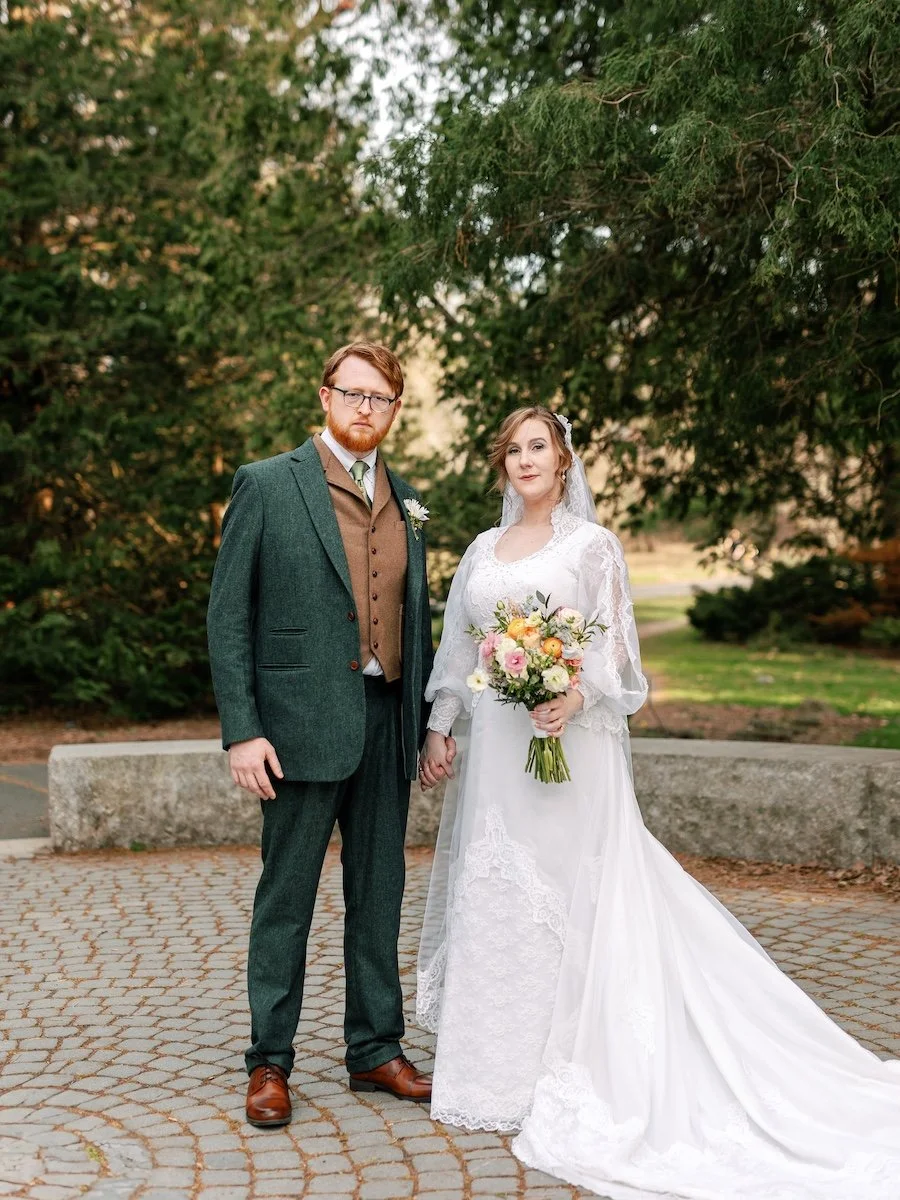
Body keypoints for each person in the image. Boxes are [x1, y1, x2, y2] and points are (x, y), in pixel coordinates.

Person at [418, 406, 900, 1199]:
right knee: (500, 885)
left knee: (577, 890)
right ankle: (497, 1075)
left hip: (571, 750)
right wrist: (441, 726)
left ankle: (582, 1058)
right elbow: (460, 649)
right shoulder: (481, 550)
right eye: (513, 450)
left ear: (565, 460)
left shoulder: (591, 547)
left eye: (538, 446)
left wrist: (571, 699)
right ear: (502, 465)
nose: (525, 460)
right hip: (501, 754)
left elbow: (615, 657)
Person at [207, 341, 434, 1129]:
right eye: (354, 393)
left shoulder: (407, 499)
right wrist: (243, 731)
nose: (366, 408)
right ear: (326, 396)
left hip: (385, 721)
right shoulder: (269, 484)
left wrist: (426, 723)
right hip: (298, 730)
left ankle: (375, 1048)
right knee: (287, 901)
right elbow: (228, 616)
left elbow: (416, 619)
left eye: (382, 398)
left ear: (395, 410)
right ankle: (268, 1062)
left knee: (379, 895)